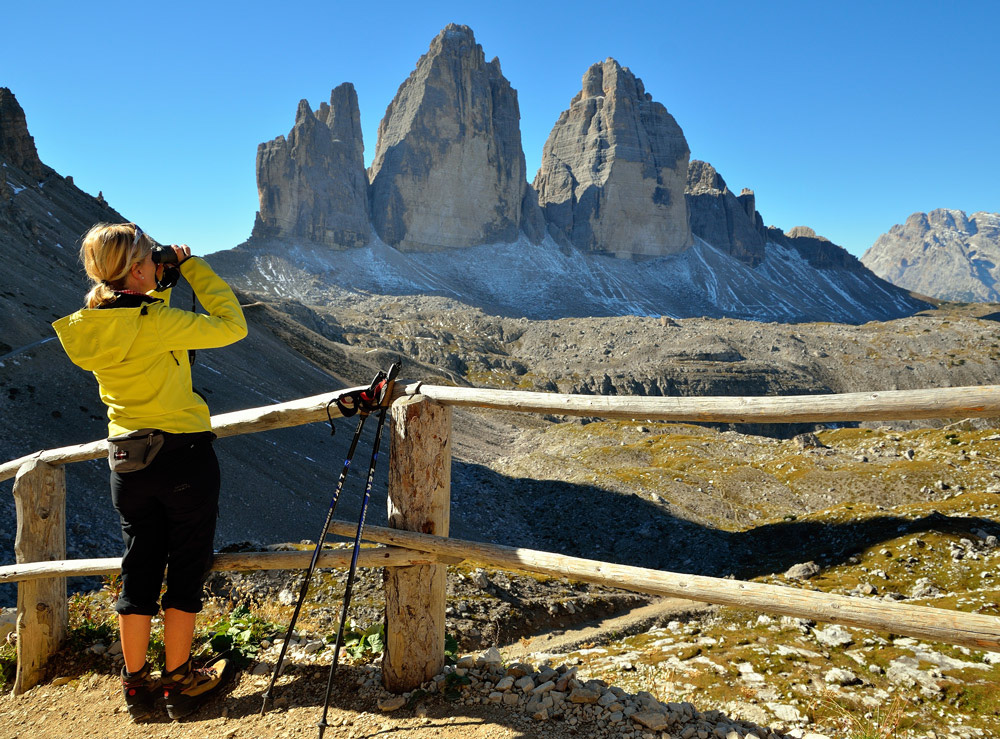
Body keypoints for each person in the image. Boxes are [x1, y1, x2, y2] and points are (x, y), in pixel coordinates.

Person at [52, 222, 248, 720]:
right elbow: (231, 323)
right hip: (183, 454)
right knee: (185, 565)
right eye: (148, 260)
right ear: (138, 268)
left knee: (138, 568)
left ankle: (136, 686)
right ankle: (179, 681)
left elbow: (131, 317)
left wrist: (153, 286)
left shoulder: (92, 326)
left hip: (126, 460)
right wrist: (189, 267)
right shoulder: (157, 323)